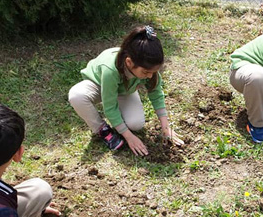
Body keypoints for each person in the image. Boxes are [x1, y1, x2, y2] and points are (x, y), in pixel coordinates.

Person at [69, 25, 183, 156]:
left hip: (125, 88)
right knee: (76, 96)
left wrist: (166, 128)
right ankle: (101, 129)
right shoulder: (110, 70)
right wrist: (129, 137)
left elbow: (156, 93)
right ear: (129, 62)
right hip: (98, 84)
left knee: (136, 124)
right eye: (146, 72)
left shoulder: (148, 67)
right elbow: (110, 106)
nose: (150, 76)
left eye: (153, 72)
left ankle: (121, 115)